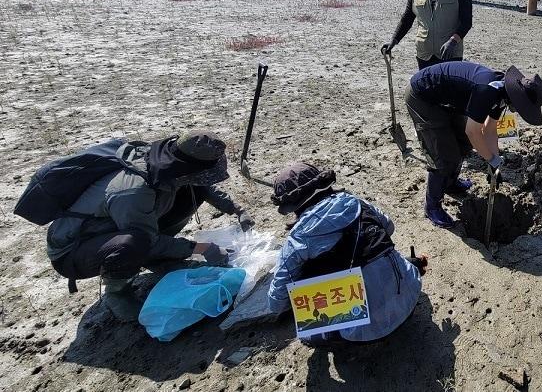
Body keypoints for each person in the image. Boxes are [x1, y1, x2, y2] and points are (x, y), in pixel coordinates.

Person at [46, 130, 253, 321]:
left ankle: (160, 260)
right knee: (132, 243)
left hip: (125, 227)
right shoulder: (132, 191)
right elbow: (146, 240)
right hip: (74, 251)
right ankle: (118, 293)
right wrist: (203, 248)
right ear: (186, 168)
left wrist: (237, 209)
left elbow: (201, 185)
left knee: (190, 193)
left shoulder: (170, 164)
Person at [266, 162, 425, 343]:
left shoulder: (297, 240)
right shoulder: (358, 203)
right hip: (410, 299)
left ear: (291, 206)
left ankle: (335, 334)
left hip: (362, 333)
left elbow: (276, 303)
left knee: (307, 330)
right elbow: (388, 228)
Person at [404, 61, 542, 228]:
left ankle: (450, 183)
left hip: (446, 100)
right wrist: (490, 158)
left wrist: (495, 162)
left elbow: (489, 129)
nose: (519, 111)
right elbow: (473, 132)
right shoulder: (488, 90)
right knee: (443, 155)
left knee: (463, 143)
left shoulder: (502, 93)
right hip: (422, 96)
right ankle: (432, 207)